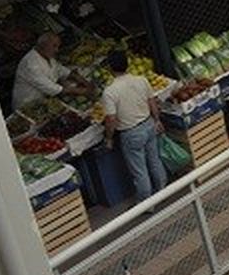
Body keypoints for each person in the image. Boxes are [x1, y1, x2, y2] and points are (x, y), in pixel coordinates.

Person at [101, 50, 167, 201]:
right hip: (149, 124)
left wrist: (109, 138)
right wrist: (157, 120)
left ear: (110, 68)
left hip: (131, 133)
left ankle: (147, 203)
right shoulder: (141, 80)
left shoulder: (109, 92)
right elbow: (152, 102)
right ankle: (163, 191)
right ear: (127, 64)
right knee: (155, 161)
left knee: (139, 171)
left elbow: (111, 119)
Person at [12, 32, 89, 111]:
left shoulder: (47, 55)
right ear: (42, 45)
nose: (57, 50)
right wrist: (82, 91)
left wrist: (82, 80)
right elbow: (51, 87)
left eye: (58, 46)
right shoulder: (30, 63)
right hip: (27, 105)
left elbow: (60, 69)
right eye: (54, 46)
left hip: (43, 101)